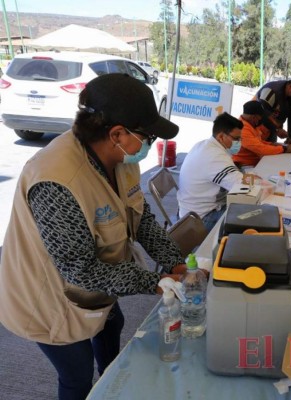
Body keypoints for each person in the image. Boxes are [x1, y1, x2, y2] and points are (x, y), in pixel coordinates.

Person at [0, 73, 191, 400]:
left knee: (111, 327)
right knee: (76, 375)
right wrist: (153, 281)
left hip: (99, 283)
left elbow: (140, 218)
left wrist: (174, 262)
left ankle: (112, 384)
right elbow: (80, 271)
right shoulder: (56, 181)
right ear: (117, 133)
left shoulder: (120, 157)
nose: (151, 144)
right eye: (148, 137)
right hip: (50, 298)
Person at [177, 112, 244, 232]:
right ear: (221, 136)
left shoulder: (204, 145)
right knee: (247, 216)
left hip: (189, 211)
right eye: (236, 138)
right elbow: (241, 186)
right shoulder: (215, 156)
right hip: (202, 218)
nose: (239, 142)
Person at [232, 101, 291, 168]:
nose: (261, 120)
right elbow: (260, 149)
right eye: (260, 117)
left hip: (255, 162)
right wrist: (284, 149)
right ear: (253, 117)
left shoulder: (251, 124)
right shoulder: (243, 129)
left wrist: (272, 144)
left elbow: (258, 142)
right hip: (245, 166)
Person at [254, 77, 291, 144]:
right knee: (258, 148)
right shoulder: (271, 91)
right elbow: (262, 114)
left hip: (272, 127)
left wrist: (290, 137)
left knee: (272, 149)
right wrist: (276, 130)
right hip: (256, 125)